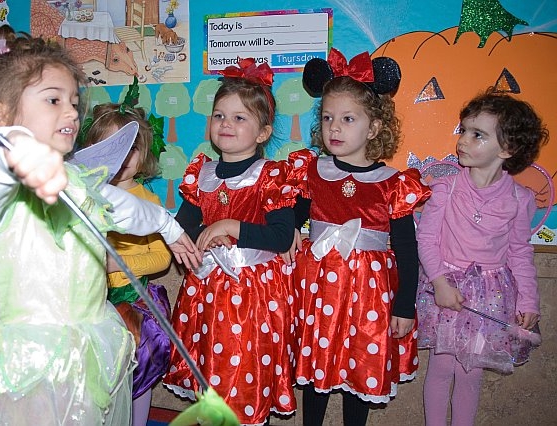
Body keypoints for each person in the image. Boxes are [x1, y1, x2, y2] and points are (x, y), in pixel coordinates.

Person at [0, 26, 200, 425]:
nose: (72, 112)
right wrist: (13, 155)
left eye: (74, 101)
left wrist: (168, 227)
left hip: (83, 355)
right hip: (23, 369)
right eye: (54, 100)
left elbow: (124, 207)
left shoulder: (77, 179)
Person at [288, 49, 431, 426]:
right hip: (318, 289)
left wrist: (404, 306)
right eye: (328, 117)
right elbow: (293, 217)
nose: (334, 128)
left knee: (360, 367)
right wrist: (289, 230)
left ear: (373, 128)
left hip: (369, 295)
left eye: (347, 119)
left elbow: (407, 250)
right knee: (316, 371)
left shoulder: (392, 184)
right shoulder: (311, 171)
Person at [161, 58, 298, 425]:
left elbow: (281, 236)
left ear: (263, 133)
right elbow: (181, 228)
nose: (226, 124)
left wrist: (232, 225)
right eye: (219, 115)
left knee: (245, 377)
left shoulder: (270, 176)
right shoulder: (201, 174)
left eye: (239, 118)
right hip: (206, 294)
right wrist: (196, 238)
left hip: (252, 299)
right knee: (212, 376)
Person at [416, 90, 547, 426]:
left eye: (477, 135)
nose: (463, 140)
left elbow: (519, 251)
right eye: (464, 130)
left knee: (470, 372)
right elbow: (426, 240)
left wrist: (528, 300)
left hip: (490, 298)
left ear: (507, 149)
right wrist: (440, 283)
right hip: (445, 288)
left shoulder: (519, 199)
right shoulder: (445, 188)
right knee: (442, 368)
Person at [83, 100, 172, 426]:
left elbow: (162, 257)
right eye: (111, 145)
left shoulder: (148, 201)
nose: (122, 156)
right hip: (92, 303)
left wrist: (117, 264)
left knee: (139, 369)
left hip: (133, 303)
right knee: (95, 377)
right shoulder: (84, 195)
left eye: (131, 147)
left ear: (143, 153)